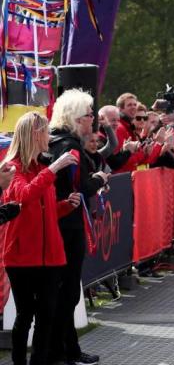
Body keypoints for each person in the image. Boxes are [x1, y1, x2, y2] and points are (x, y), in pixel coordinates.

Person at [3, 112, 82, 365]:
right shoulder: (12, 167)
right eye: (45, 131)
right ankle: (18, 362)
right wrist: (54, 168)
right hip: (22, 255)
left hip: (50, 255)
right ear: (34, 134)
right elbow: (24, 196)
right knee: (25, 314)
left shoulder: (40, 166)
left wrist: (64, 206)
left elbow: (42, 211)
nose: (49, 137)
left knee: (47, 315)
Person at [47, 89, 108, 365]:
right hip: (67, 226)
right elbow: (81, 188)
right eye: (88, 115)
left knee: (66, 292)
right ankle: (60, 350)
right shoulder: (68, 145)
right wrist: (99, 179)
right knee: (68, 292)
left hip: (60, 222)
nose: (92, 120)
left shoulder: (55, 142)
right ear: (75, 118)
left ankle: (68, 349)